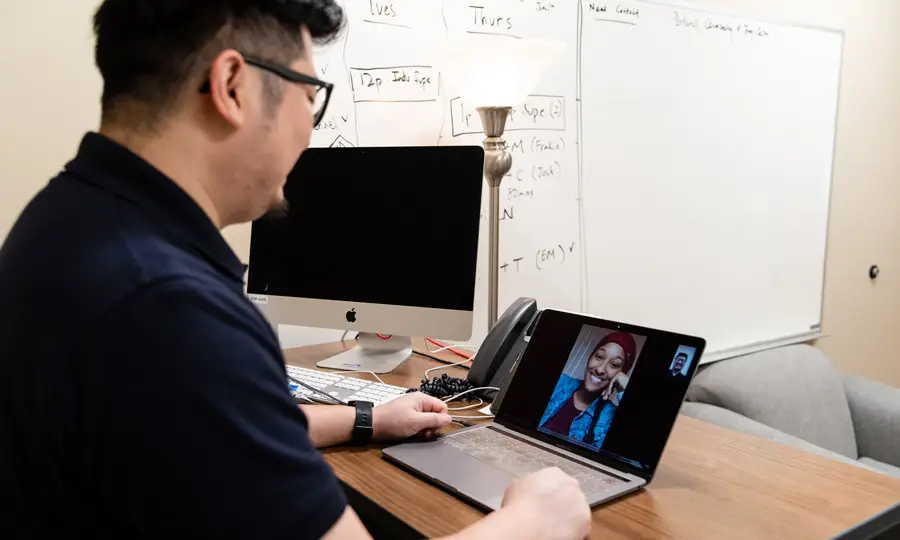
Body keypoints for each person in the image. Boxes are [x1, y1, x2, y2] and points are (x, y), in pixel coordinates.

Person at [0, 1, 591, 539]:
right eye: (309, 94)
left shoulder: (68, 222)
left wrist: (368, 418)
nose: (310, 126)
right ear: (232, 86)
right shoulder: (170, 309)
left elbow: (206, 430)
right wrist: (532, 522)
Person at [540, 332, 637, 448]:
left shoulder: (610, 418)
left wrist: (626, 386)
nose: (600, 369)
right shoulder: (559, 382)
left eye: (614, 365)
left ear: (621, 374)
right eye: (599, 357)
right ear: (591, 356)